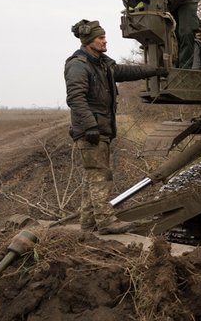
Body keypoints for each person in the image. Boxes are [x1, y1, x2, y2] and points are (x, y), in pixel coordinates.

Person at [65, 19, 166, 235]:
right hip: (91, 130)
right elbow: (75, 98)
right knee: (101, 176)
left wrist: (155, 71)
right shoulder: (78, 65)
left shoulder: (102, 64)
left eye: (104, 37)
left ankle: (88, 221)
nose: (104, 40)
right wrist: (90, 125)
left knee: (93, 176)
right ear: (89, 41)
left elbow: (126, 71)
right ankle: (106, 222)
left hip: (100, 129)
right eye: (100, 38)